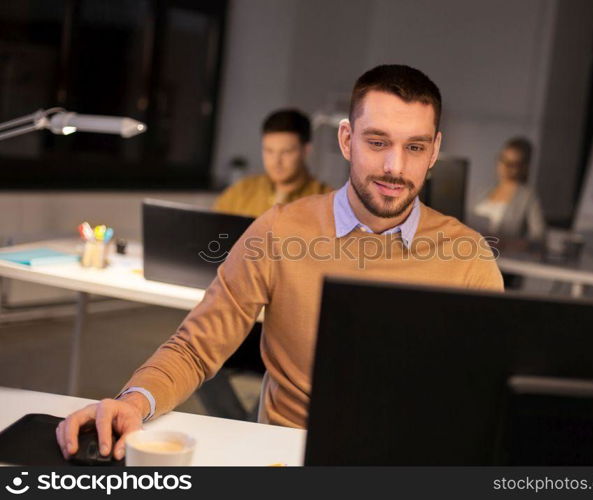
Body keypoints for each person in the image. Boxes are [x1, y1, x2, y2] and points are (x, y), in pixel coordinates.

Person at [55, 65, 504, 461]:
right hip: (285, 455)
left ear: (435, 150)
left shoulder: (468, 260)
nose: (394, 166)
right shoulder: (278, 230)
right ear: (347, 140)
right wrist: (133, 403)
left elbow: (489, 392)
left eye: (415, 147)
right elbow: (196, 346)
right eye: (378, 141)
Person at [213, 109, 332, 217]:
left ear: (306, 151)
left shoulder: (327, 203)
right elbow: (213, 234)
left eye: (286, 152)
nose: (276, 161)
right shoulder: (241, 192)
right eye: (269, 151)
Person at [471, 137, 546, 242]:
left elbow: (539, 237)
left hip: (499, 254)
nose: (506, 167)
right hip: (470, 249)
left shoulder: (527, 197)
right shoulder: (482, 192)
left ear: (523, 168)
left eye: (513, 164)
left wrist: (508, 243)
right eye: (503, 160)